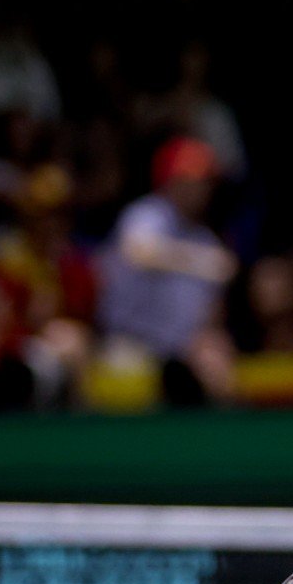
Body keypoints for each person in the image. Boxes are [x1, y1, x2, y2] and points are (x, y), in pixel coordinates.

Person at [94, 136, 237, 406]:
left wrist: (208, 338)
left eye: (204, 182)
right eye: (190, 181)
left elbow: (210, 311)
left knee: (217, 364)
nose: (199, 190)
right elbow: (140, 252)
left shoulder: (204, 238)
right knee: (124, 383)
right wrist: (202, 262)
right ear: (170, 181)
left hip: (182, 352)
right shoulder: (147, 214)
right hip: (132, 343)